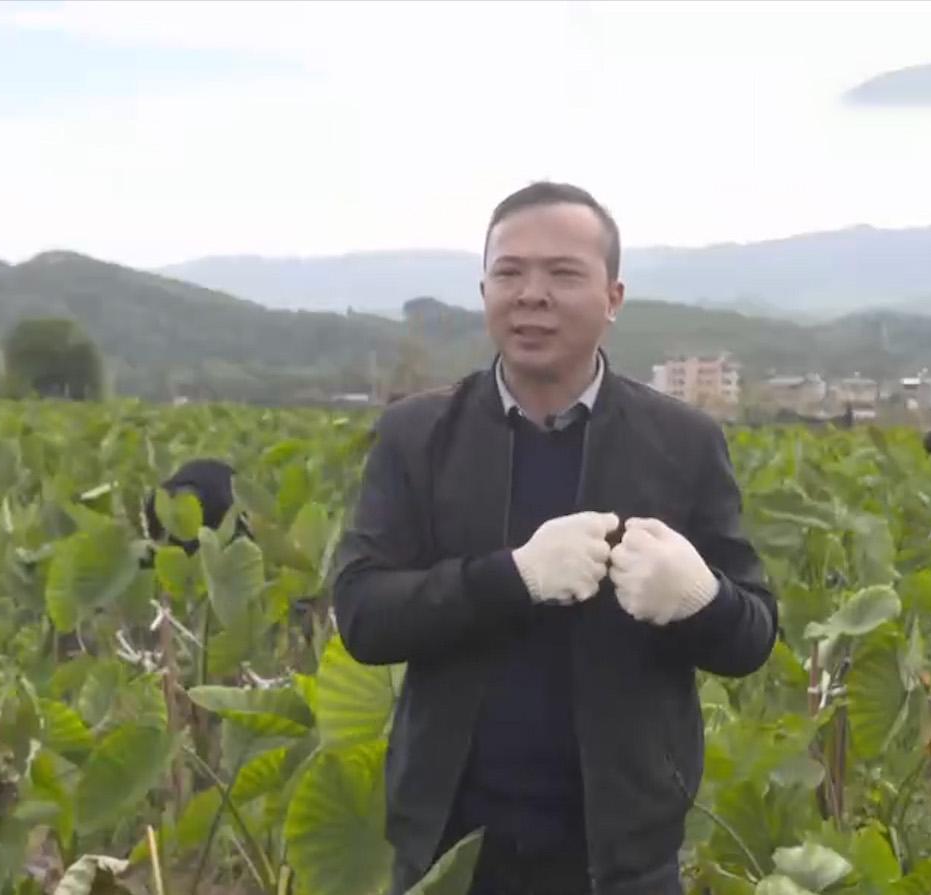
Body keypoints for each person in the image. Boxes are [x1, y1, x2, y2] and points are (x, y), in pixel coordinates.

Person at [331, 182, 779, 895]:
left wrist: (699, 598)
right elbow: (363, 613)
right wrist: (513, 577)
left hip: (622, 860)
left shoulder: (683, 442)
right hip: (453, 852)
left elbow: (752, 636)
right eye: (509, 272)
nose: (531, 293)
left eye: (563, 273)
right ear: (484, 289)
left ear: (613, 296)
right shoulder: (417, 436)